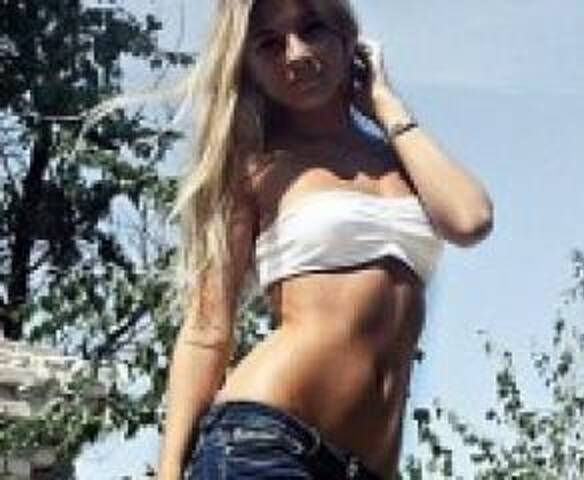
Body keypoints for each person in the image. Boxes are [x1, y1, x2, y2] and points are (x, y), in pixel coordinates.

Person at [157, 0, 493, 478]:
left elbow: (470, 219)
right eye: (269, 44)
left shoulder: (400, 162)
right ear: (249, 66)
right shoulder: (254, 168)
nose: (296, 55)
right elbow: (207, 329)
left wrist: (386, 104)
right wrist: (169, 471)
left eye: (312, 29)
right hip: (264, 445)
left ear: (347, 36)